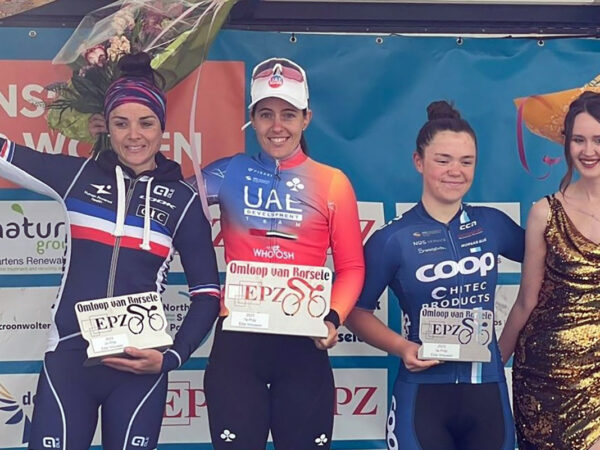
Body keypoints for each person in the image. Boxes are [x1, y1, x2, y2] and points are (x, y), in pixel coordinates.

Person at [0, 52, 220, 449]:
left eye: (146, 123)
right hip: (69, 359)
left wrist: (172, 357)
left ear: (162, 127)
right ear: (107, 127)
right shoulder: (77, 176)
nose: (134, 135)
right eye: (121, 123)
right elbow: (4, 153)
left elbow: (207, 294)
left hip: (141, 365)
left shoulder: (183, 201)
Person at [199, 57, 365, 449]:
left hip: (303, 341)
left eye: (289, 114)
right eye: (266, 114)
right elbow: (166, 202)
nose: (277, 126)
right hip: (239, 342)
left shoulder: (332, 182)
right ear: (252, 120)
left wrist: (332, 318)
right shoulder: (227, 172)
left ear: (306, 118)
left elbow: (352, 267)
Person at [345, 101, 525, 450]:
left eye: (466, 162)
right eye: (443, 160)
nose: (455, 171)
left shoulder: (492, 225)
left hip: (487, 389)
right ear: (419, 161)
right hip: (422, 393)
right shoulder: (392, 239)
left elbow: (555, 259)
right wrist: (403, 347)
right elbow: (355, 311)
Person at [499, 91, 600, 450]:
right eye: (578, 140)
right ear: (566, 144)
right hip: (544, 377)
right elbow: (526, 301)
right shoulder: (545, 212)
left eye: (598, 139)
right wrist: (491, 370)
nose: (588, 150)